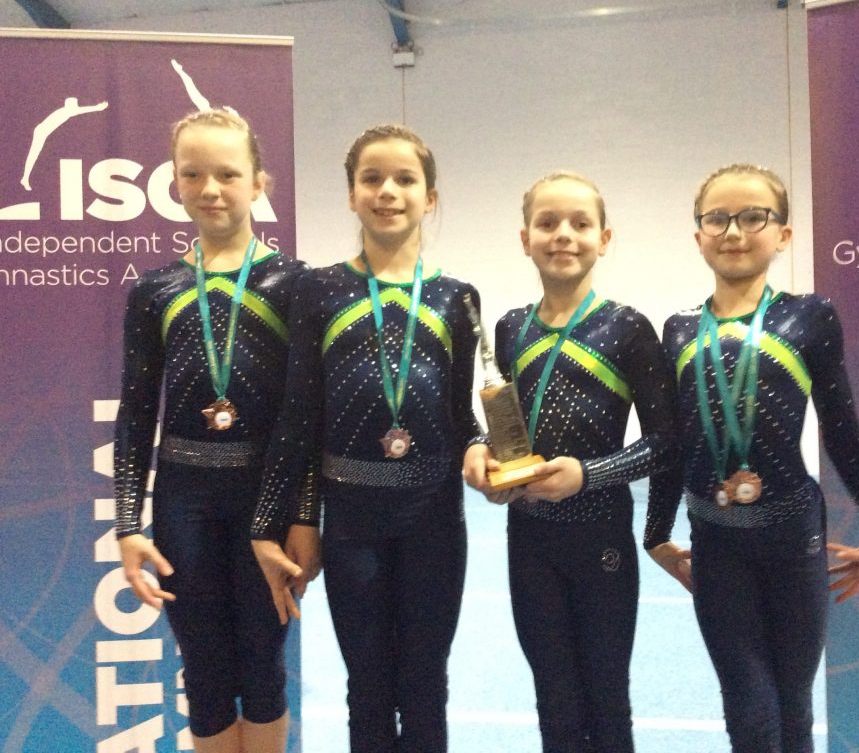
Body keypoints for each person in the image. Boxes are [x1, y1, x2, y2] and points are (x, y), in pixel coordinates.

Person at [644, 163, 859, 753]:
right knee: (750, 710)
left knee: (793, 706)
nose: (734, 231)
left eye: (753, 217)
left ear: (783, 233)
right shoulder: (679, 330)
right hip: (716, 543)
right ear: (698, 235)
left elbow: (842, 429)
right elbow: (674, 445)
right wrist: (656, 533)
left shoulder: (808, 317)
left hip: (793, 540)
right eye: (717, 218)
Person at [251, 124, 480, 753]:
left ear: (430, 197)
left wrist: (480, 449)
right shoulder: (318, 289)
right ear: (351, 194)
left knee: (426, 685)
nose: (388, 191)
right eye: (371, 179)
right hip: (352, 520)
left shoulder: (456, 297)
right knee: (369, 687)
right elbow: (299, 417)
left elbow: (462, 417)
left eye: (405, 179)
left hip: (434, 519)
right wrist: (294, 519)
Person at [114, 107, 307, 752]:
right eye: (192, 174)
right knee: (204, 672)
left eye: (228, 174)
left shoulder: (295, 285)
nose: (210, 189)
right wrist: (126, 525)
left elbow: (306, 418)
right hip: (184, 503)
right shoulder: (155, 290)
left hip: (264, 502)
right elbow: (136, 411)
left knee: (262, 666)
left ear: (259, 184)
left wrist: (302, 516)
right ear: (174, 183)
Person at [463, 172, 677, 753]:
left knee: (606, 701)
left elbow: (667, 442)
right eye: (548, 223)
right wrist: (492, 463)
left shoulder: (627, 328)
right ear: (524, 238)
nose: (563, 234)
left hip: (601, 537)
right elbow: (509, 432)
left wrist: (589, 475)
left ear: (604, 239)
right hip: (530, 540)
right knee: (554, 702)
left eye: (580, 224)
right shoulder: (511, 328)